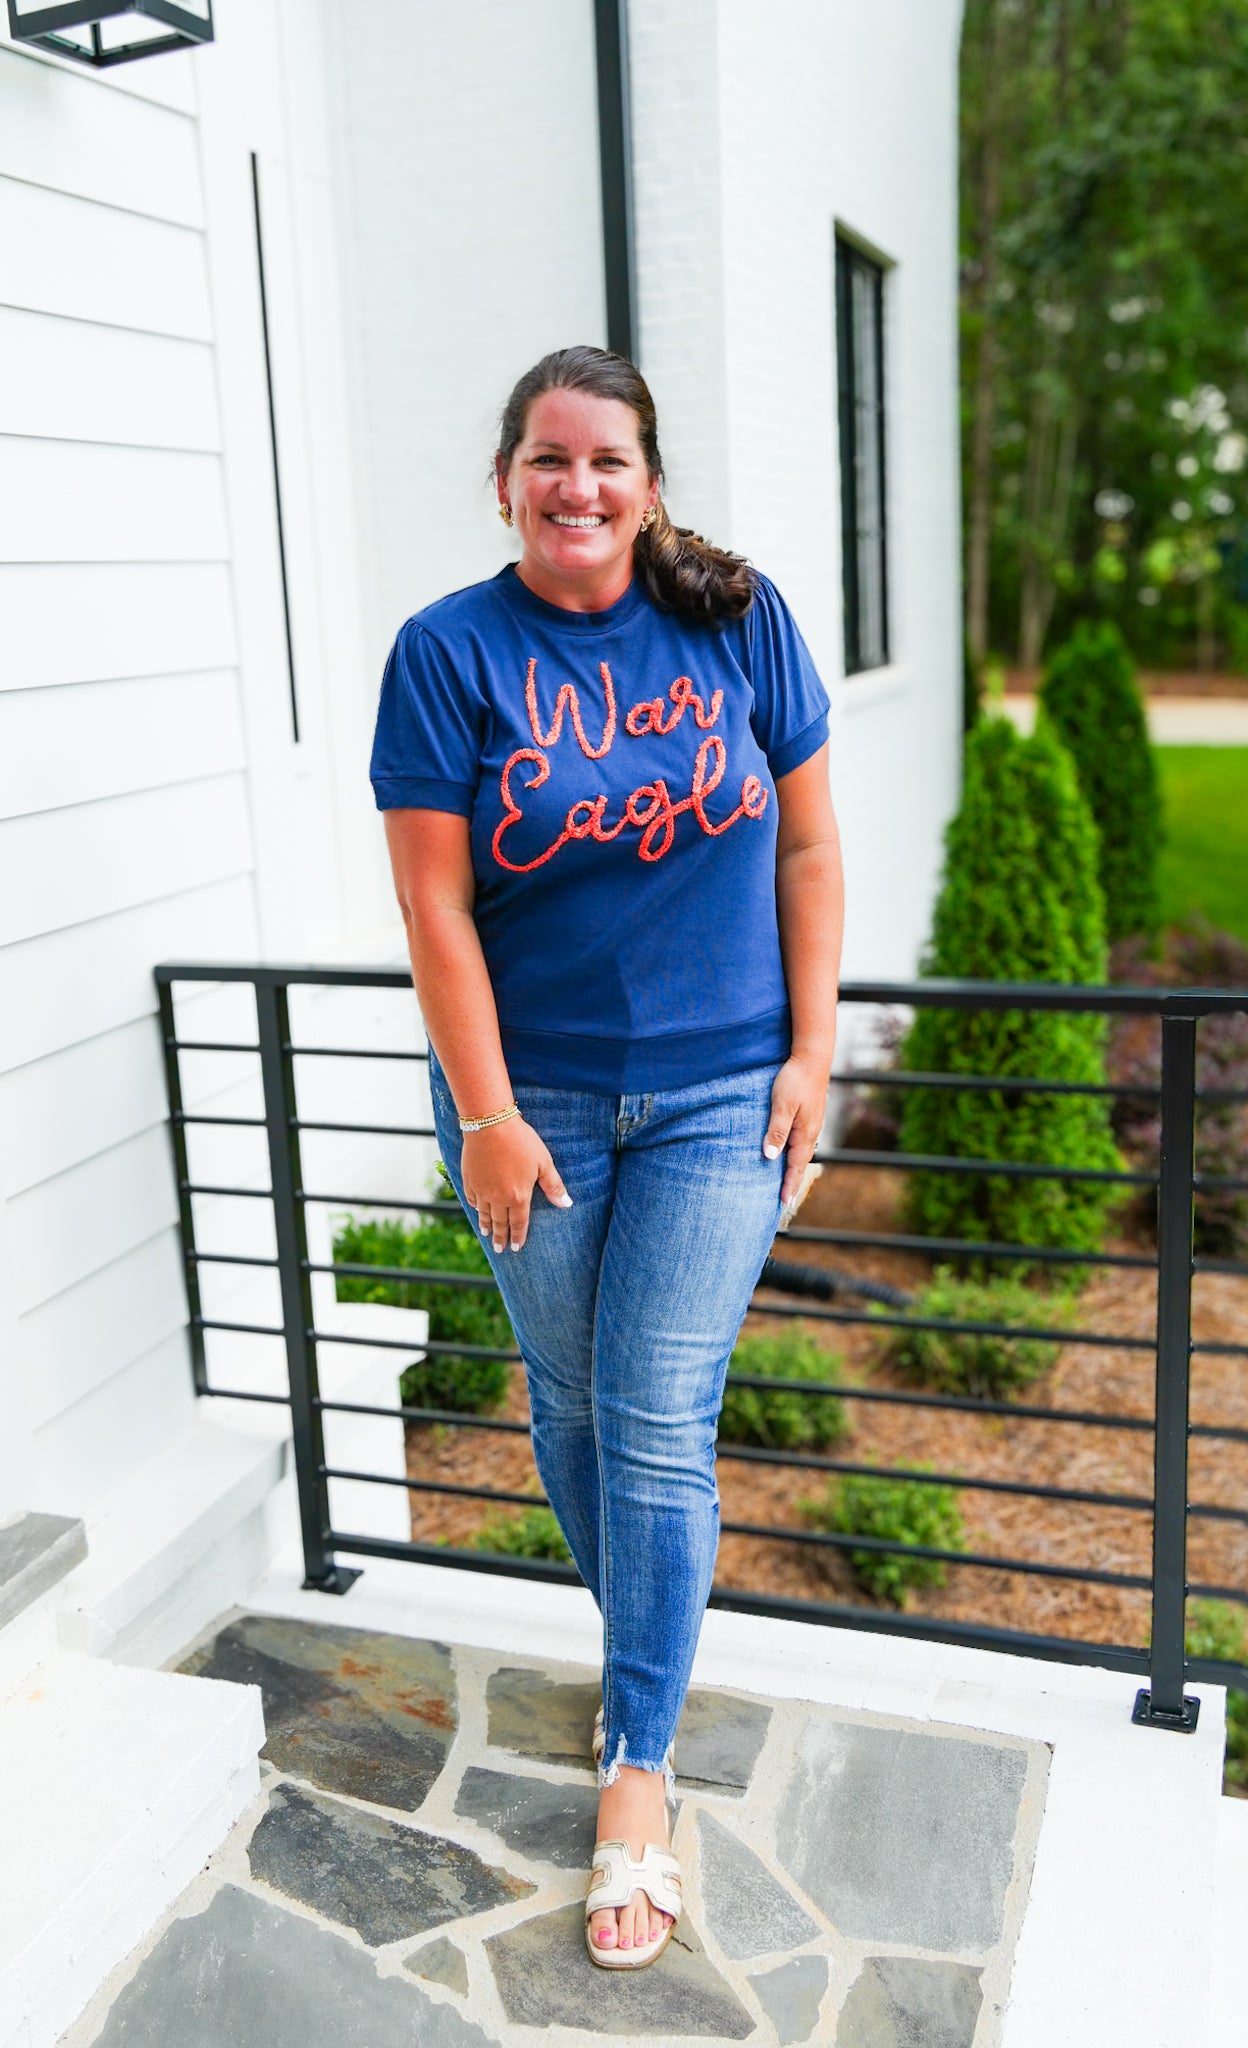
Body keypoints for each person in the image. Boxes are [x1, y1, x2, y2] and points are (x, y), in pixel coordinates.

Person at [371, 345, 844, 1971]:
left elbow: (806, 840)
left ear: (651, 485)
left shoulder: (740, 621)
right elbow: (436, 908)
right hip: (534, 1106)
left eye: (610, 462)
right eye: (550, 459)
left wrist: (811, 1050)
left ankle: (637, 1770)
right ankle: (646, 1651)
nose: (580, 489)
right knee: (568, 1405)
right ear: (504, 477)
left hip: (723, 1094)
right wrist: (486, 1116)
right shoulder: (446, 654)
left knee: (653, 1414)